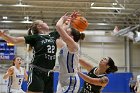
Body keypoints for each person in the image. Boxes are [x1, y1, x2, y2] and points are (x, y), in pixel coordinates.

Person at [0, 20, 60, 93]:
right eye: (43, 22)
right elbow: (14, 40)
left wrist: (67, 20)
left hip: (49, 73)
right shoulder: (35, 37)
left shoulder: (52, 36)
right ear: (39, 26)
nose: (46, 23)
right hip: (37, 71)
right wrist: (2, 35)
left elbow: (62, 29)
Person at [55, 12, 85, 93]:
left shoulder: (74, 46)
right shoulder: (63, 45)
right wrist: (69, 20)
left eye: (67, 32)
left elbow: (58, 27)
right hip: (61, 80)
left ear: (71, 37)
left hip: (70, 80)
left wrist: (63, 18)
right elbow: (60, 32)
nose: (64, 33)